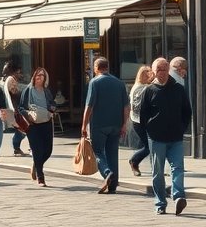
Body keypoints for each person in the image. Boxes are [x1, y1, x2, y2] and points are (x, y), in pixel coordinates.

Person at [141, 57, 192, 216]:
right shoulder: (149, 91)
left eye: (164, 69)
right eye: (158, 70)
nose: (162, 73)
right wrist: (150, 130)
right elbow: (143, 114)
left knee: (178, 169)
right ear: (153, 72)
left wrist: (181, 128)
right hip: (157, 139)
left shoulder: (178, 88)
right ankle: (160, 203)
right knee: (158, 172)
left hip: (175, 138)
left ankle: (178, 197)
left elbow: (186, 111)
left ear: (169, 70)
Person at [80, 56, 129, 194]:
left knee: (98, 151)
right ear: (107, 67)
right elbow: (126, 106)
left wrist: (84, 125)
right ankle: (113, 186)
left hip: (99, 124)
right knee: (113, 153)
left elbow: (89, 106)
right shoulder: (119, 83)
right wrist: (124, 124)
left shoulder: (94, 83)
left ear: (96, 68)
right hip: (116, 124)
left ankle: (107, 172)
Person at [19, 66, 56, 187]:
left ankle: (36, 163)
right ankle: (41, 177)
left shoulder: (46, 90)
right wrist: (27, 115)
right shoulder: (28, 90)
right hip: (33, 124)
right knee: (37, 150)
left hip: (46, 121)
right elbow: (21, 108)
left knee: (48, 150)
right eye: (38, 75)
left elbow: (52, 103)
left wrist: (52, 109)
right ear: (34, 77)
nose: (40, 77)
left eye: (43, 76)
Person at [128, 65, 154, 177]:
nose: (149, 77)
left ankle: (156, 168)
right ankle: (134, 161)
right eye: (146, 74)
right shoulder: (139, 88)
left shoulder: (145, 86)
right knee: (149, 147)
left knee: (153, 145)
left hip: (146, 121)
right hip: (138, 122)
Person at [2, 62, 27, 156]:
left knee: (21, 128)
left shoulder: (11, 79)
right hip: (15, 108)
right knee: (21, 128)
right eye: (19, 72)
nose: (20, 74)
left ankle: (17, 148)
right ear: (15, 71)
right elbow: (15, 92)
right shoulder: (11, 79)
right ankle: (16, 148)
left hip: (15, 108)